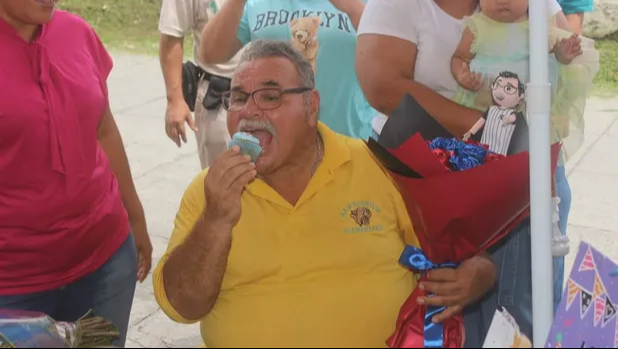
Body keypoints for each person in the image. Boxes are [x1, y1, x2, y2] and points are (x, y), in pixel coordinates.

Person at [154, 39, 497, 348]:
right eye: (239, 98)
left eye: (271, 96)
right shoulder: (208, 191)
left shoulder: (380, 167)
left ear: (311, 106)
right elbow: (183, 307)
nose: (249, 112)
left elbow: (461, 249)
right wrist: (215, 220)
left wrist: (478, 272)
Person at [356, 0, 575, 346]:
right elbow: (381, 85)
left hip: (525, 178)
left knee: (526, 317)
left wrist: (519, 139)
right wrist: (487, 129)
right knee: (443, 320)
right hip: (434, 185)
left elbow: (564, 54)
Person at [0, 0, 152, 347]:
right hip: (12, 289)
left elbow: (104, 129)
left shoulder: (76, 32)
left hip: (105, 262)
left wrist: (136, 216)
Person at [198, 0, 376, 140]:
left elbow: (393, 55)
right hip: (273, 149)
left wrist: (353, 9)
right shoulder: (255, 4)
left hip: (348, 140)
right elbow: (210, 53)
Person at [159, 0, 244, 169]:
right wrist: (175, 100)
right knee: (222, 180)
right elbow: (171, 37)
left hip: (276, 93)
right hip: (220, 100)